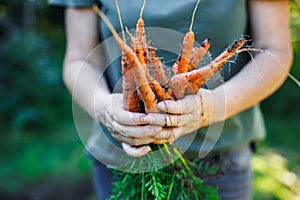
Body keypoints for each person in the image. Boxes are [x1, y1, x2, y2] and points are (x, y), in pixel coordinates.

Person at [49, 0, 293, 199]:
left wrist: (213, 106)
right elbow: (78, 60)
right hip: (124, 160)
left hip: (220, 161)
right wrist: (105, 109)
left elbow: (275, 50)